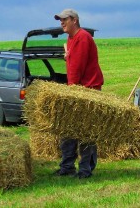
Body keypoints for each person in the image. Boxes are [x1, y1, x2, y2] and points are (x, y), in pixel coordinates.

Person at [53, 9, 104, 179]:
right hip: (77, 89)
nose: (61, 23)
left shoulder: (82, 37)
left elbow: (77, 67)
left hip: (87, 90)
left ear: (74, 20)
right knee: (69, 128)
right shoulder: (71, 38)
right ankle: (67, 166)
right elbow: (72, 63)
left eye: (64, 19)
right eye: (60, 20)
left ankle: (85, 170)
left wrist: (72, 90)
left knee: (85, 130)